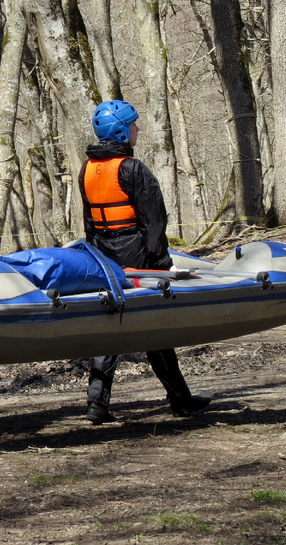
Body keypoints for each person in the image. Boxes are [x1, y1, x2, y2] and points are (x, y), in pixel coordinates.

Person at [79, 100, 212, 424]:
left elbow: (89, 221)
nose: (138, 129)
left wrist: (97, 253)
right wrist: (161, 262)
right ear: (121, 131)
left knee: (111, 327)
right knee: (155, 327)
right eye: (134, 124)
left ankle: (98, 403)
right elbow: (154, 219)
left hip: (103, 254)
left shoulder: (87, 168)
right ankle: (180, 401)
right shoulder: (132, 169)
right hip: (136, 253)